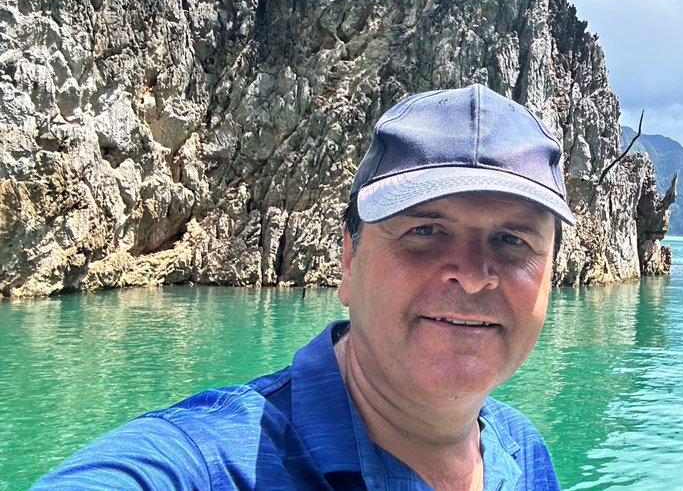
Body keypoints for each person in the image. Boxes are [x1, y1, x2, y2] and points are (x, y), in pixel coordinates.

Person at [36, 84, 574, 490]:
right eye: (424, 231)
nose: (473, 274)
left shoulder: (521, 451)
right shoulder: (210, 463)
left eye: (512, 240)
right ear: (349, 260)